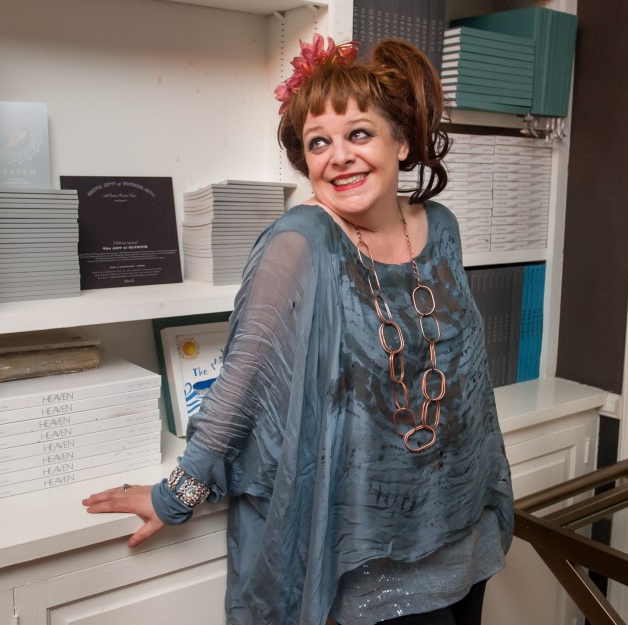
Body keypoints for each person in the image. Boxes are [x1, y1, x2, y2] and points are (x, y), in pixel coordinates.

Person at [83, 35, 513, 625]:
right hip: (372, 563)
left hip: (463, 536)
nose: (339, 156)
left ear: (402, 141)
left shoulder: (440, 227)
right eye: (319, 143)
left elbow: (461, 376)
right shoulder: (298, 245)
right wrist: (176, 494)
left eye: (359, 133)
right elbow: (243, 380)